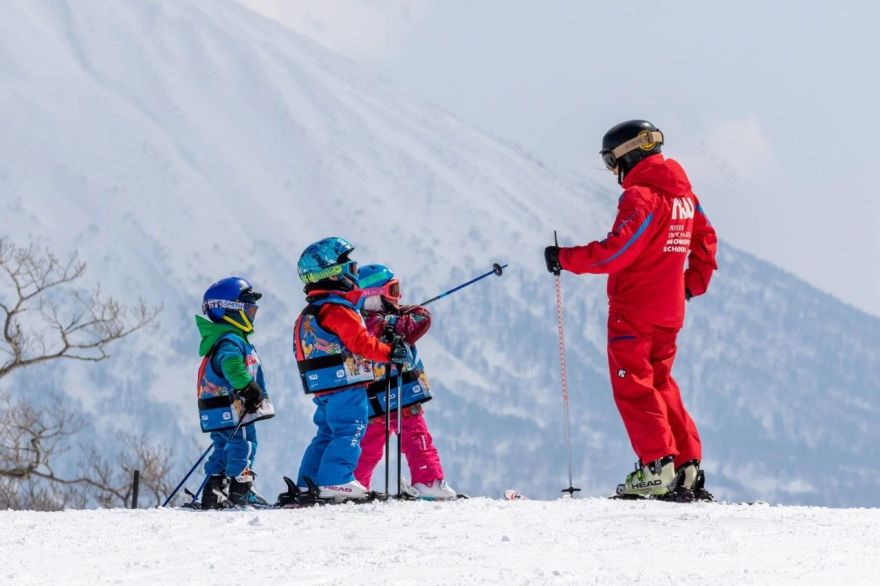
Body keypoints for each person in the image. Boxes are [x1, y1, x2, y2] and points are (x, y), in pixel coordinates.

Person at [544, 120, 718, 500]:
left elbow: (620, 250)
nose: (612, 173)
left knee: (634, 384)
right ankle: (686, 467)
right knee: (661, 382)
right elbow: (705, 238)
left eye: (610, 162)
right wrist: (692, 283)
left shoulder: (642, 196)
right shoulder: (685, 196)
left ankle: (656, 466)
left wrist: (565, 259)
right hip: (670, 308)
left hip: (635, 307)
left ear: (627, 155)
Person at [293, 237, 414, 502]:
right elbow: (361, 343)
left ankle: (308, 482)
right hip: (345, 384)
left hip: (323, 385)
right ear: (331, 272)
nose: (353, 270)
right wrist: (390, 353)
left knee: (326, 432)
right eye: (347, 264)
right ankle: (336, 481)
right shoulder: (339, 309)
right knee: (351, 428)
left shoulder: (313, 311)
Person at [353, 264, 457, 500]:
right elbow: (422, 317)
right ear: (373, 297)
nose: (398, 297)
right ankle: (428, 481)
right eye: (392, 291)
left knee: (368, 447)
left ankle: (357, 484)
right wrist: (402, 311)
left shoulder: (357, 325)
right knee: (416, 437)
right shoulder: (391, 323)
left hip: (372, 400)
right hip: (403, 393)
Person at [196, 277, 275, 508]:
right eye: (249, 309)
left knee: (224, 446)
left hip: (221, 407)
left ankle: (214, 489)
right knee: (243, 443)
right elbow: (232, 365)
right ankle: (240, 490)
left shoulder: (227, 339)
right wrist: (247, 388)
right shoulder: (230, 341)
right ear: (231, 311)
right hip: (232, 408)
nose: (253, 315)